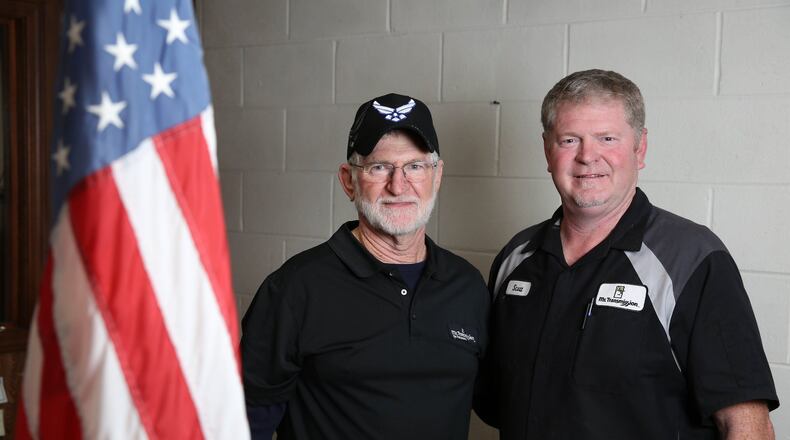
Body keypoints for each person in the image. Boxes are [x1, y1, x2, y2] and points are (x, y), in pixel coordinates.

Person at [473, 69, 779, 439]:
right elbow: (495, 403)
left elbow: (748, 427)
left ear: (640, 147)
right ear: (547, 150)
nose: (588, 157)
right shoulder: (515, 259)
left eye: (607, 138)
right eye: (570, 139)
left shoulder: (692, 260)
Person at [241, 93, 490, 439]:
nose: (398, 185)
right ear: (348, 180)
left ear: (437, 175)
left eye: (415, 166)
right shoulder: (295, 288)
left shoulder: (467, 286)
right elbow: (247, 419)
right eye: (379, 167)